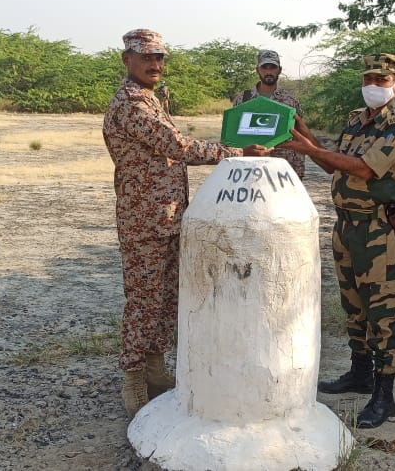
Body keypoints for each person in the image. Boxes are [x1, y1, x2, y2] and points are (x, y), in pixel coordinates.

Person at [102, 28, 270, 418]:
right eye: (147, 57)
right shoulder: (130, 103)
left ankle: (156, 369)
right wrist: (234, 152)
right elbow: (176, 145)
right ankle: (133, 379)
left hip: (170, 215)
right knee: (143, 300)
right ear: (127, 59)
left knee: (166, 297)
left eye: (160, 57)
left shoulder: (154, 97)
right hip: (144, 218)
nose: (155, 64)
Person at [278, 53, 395, 429]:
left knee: (381, 309)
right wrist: (299, 130)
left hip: (377, 229)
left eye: (382, 78)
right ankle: (360, 373)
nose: (374, 84)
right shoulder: (358, 120)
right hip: (346, 227)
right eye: (369, 76)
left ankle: (384, 396)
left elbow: (363, 168)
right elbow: (332, 162)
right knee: (353, 304)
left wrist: (307, 149)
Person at [231, 49, 307, 180]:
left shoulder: (290, 101)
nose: (269, 72)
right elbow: (233, 136)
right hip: (250, 170)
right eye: (264, 67)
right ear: (257, 70)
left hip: (281, 171)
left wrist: (297, 174)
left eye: (273, 67)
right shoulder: (243, 99)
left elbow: (298, 137)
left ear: (279, 70)